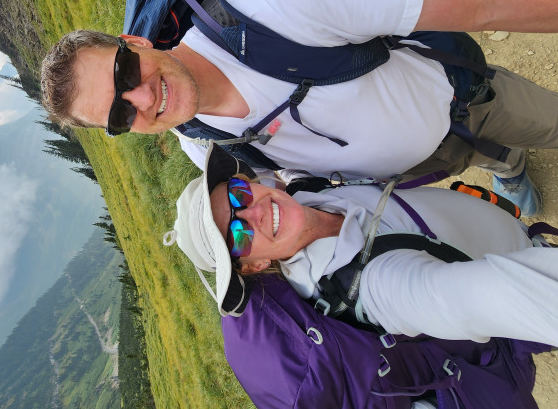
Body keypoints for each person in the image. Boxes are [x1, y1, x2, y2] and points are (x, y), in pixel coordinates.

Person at [40, 0, 558, 215]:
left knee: (547, 122)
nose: (142, 98)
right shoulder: (205, 146)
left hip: (465, 99)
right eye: (118, 114)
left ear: (137, 42)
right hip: (416, 167)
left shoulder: (276, 7)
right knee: (484, 156)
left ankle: (509, 157)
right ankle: (508, 166)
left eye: (123, 73)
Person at [164, 143, 558, 346]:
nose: (252, 213)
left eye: (237, 194)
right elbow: (484, 297)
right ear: (250, 267)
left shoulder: (304, 192)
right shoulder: (374, 288)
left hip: (507, 230)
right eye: (237, 234)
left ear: (247, 181)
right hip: (528, 259)